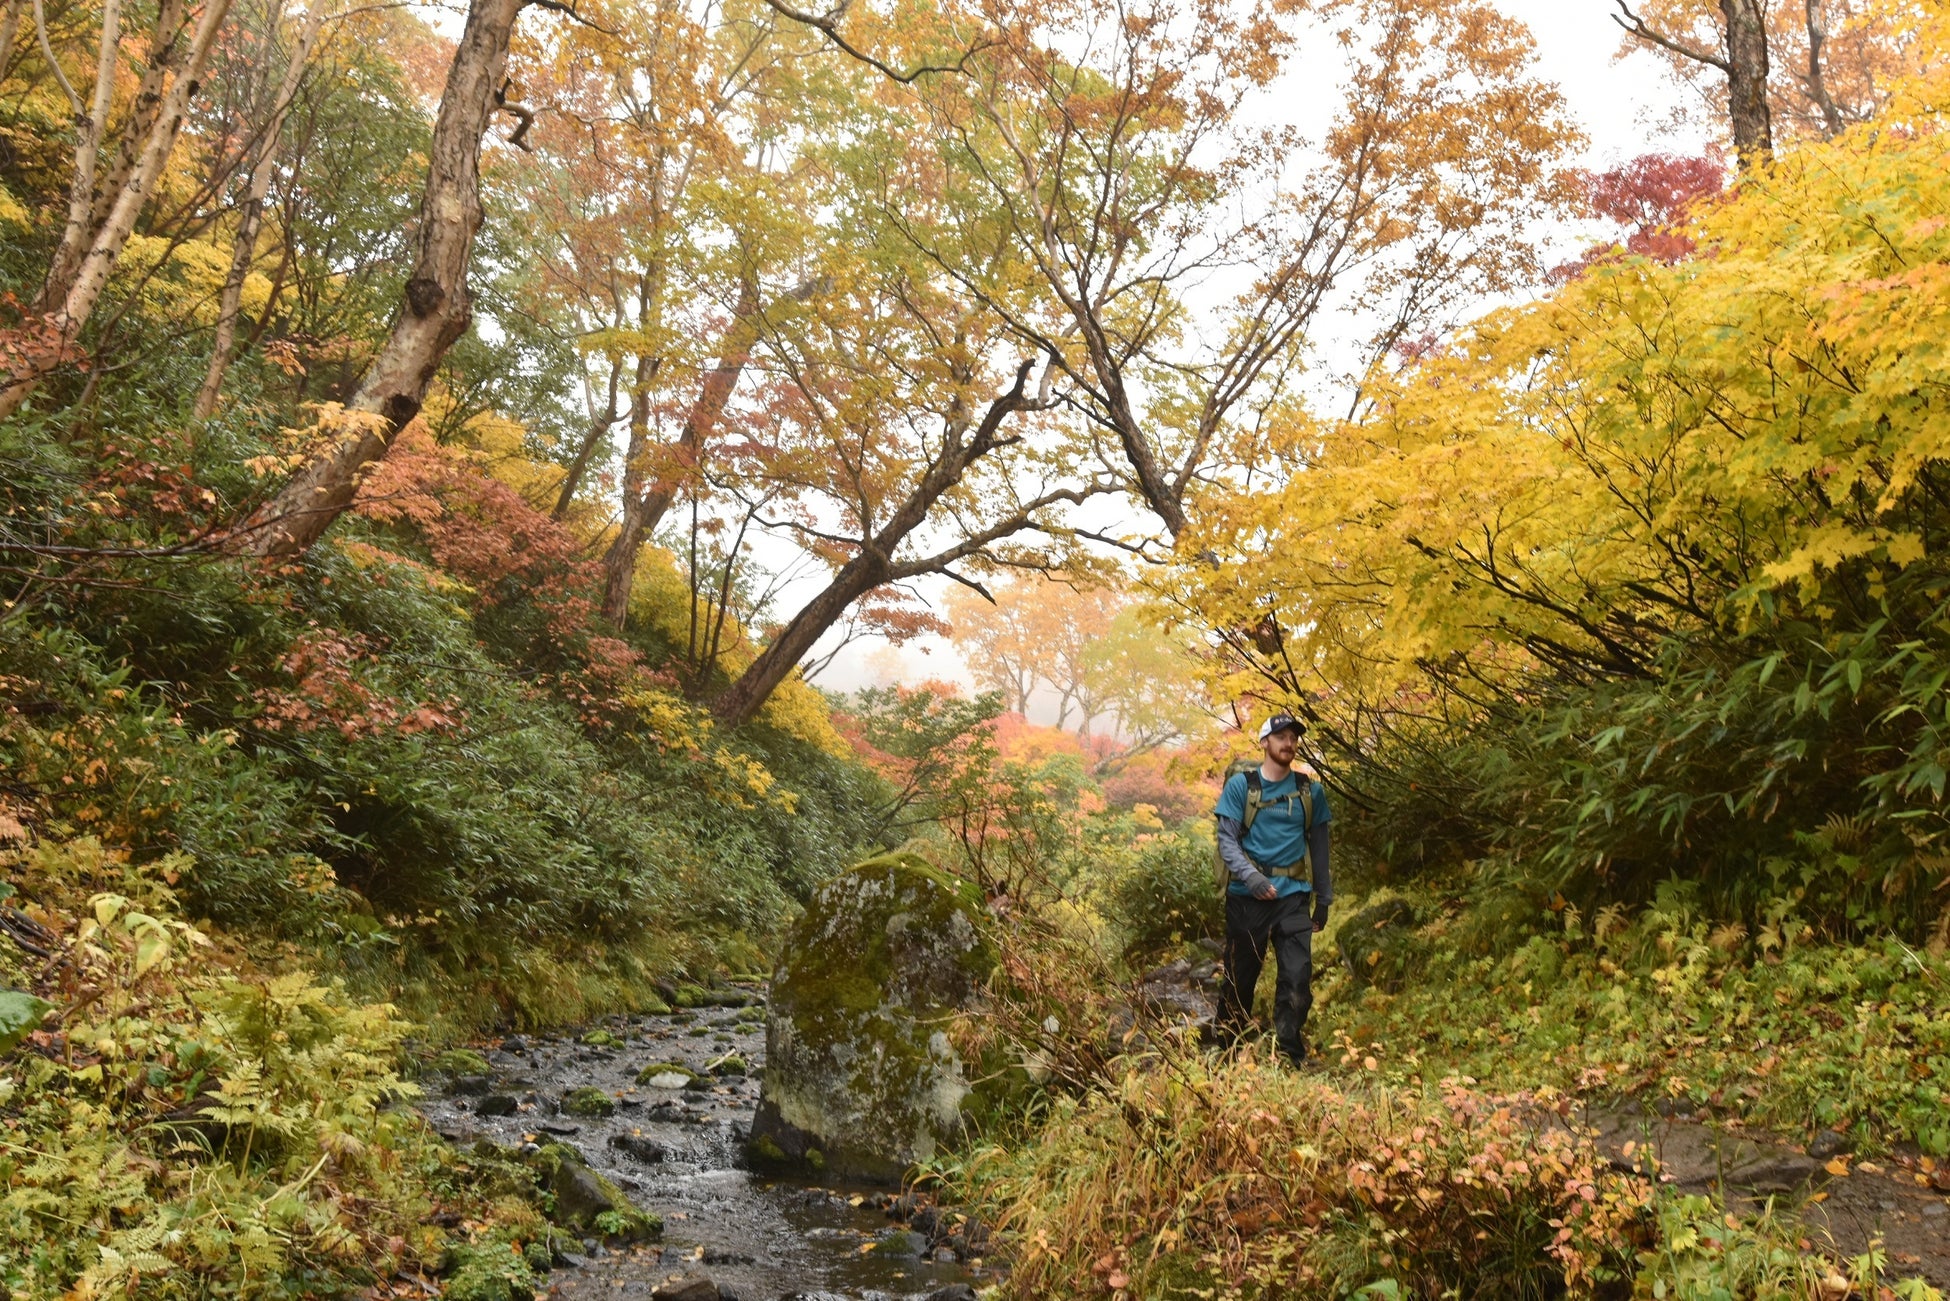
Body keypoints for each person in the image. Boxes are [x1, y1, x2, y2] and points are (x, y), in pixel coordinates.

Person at [1212, 713, 1331, 1066]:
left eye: (1293, 737)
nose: (1288, 742)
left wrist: (1323, 899)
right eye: (1280, 736)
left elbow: (1321, 847)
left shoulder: (1311, 791)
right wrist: (1252, 878)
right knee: (1239, 981)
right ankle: (1227, 1054)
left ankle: (1289, 1057)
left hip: (1293, 898)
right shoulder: (1241, 788)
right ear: (1265, 742)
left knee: (1297, 982)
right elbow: (1227, 841)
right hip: (1247, 900)